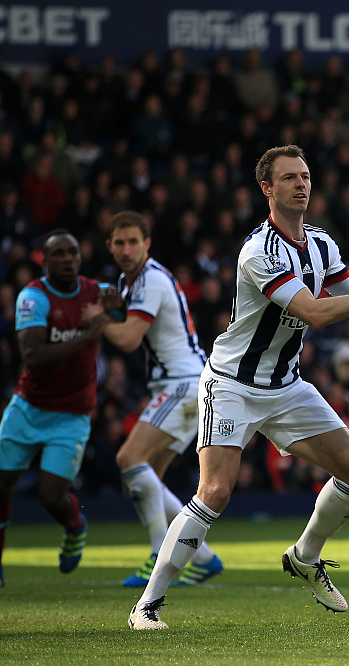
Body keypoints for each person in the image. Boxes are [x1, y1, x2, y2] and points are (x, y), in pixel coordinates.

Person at [129, 145, 349, 630]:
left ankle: (305, 555)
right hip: (232, 384)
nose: (301, 184)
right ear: (267, 188)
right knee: (216, 491)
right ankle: (148, 603)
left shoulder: (322, 243)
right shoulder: (258, 250)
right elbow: (313, 312)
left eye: (306, 176)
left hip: (287, 387)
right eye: (290, 177)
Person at [102, 211, 224, 588]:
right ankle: (203, 558)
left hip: (183, 383)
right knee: (149, 476)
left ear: (147, 244)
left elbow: (127, 339)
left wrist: (95, 318)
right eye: (119, 243)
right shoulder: (131, 282)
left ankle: (160, 554)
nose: (126, 250)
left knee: (128, 458)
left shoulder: (150, 280)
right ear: (109, 246)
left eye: (133, 242)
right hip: (186, 383)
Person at [0, 231, 122, 587]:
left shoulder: (94, 291)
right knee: (2, 485)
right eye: (58, 254)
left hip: (72, 415)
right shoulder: (33, 297)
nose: (67, 259)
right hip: (29, 408)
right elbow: (33, 356)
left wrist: (115, 307)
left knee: (51, 494)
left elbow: (124, 309)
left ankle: (74, 526)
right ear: (45, 260)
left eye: (72, 253)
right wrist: (89, 334)